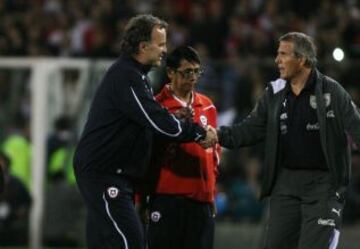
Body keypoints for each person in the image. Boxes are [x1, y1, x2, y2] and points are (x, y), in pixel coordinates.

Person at [202, 32, 360, 249]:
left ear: (302, 59)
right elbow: (251, 129)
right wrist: (219, 135)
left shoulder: (332, 92)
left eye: (283, 54)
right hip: (286, 184)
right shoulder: (274, 92)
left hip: (323, 185)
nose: (277, 60)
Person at [73, 14, 217, 249]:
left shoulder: (137, 77)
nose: (164, 50)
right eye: (160, 44)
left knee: (105, 242)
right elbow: (156, 120)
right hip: (104, 173)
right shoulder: (127, 76)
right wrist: (198, 133)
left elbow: (147, 119)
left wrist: (171, 118)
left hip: (115, 174)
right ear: (143, 47)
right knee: (132, 241)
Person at [140, 46, 221, 249]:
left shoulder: (208, 106)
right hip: (167, 199)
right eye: (187, 72)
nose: (193, 77)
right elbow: (145, 154)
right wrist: (142, 199)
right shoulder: (156, 107)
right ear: (170, 72)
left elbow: (214, 154)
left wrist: (211, 193)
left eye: (196, 71)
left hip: (200, 201)